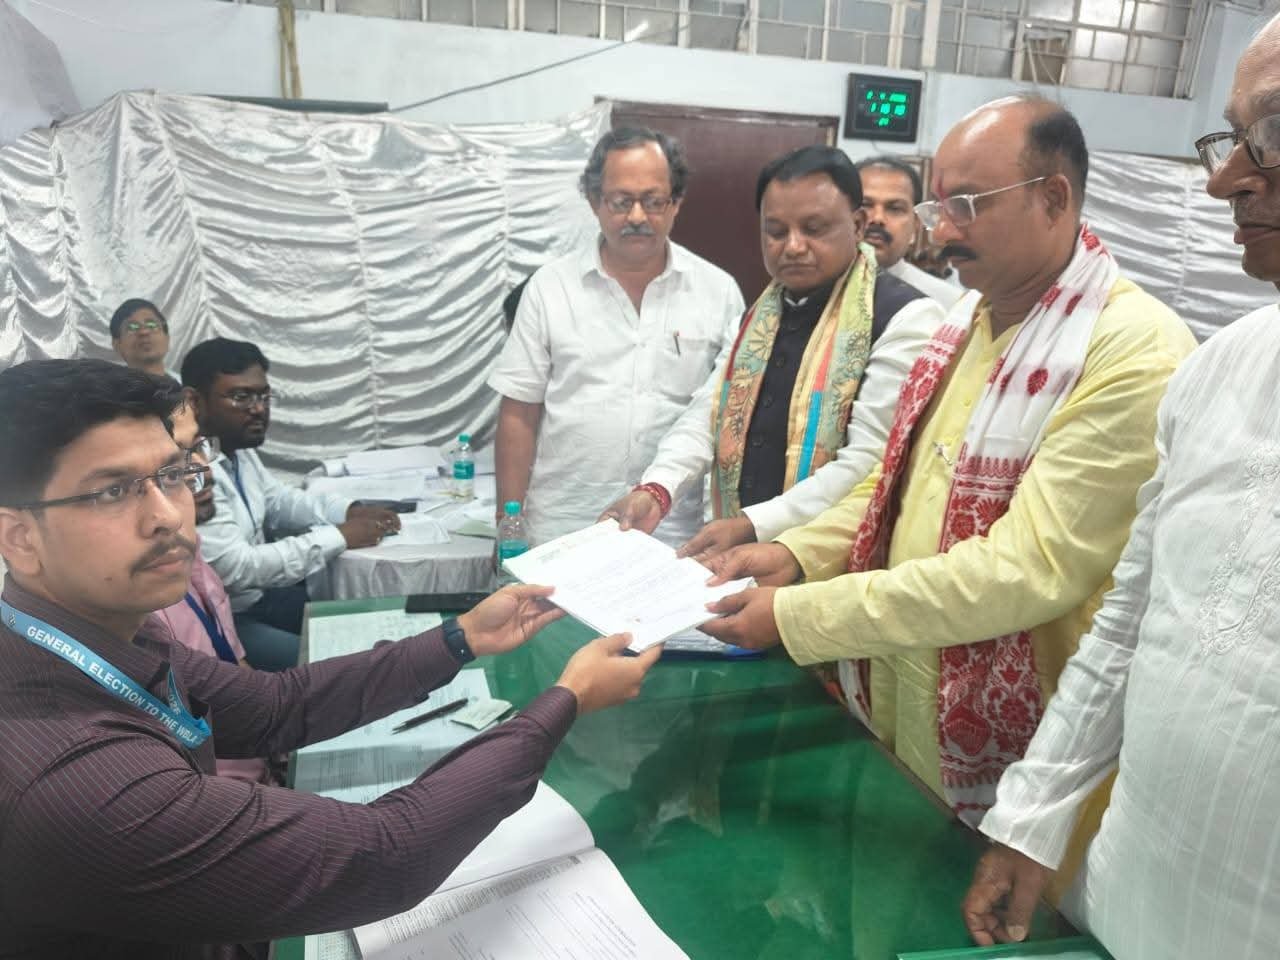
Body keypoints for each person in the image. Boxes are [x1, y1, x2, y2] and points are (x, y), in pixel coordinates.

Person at [0, 358, 661, 959]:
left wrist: (462, 636)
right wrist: (565, 701)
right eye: (113, 491)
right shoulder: (69, 773)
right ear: (19, 537)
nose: (168, 517)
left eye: (173, 475)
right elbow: (384, 856)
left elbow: (272, 707)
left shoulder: (101, 630)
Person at [700, 97, 1196, 850]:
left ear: (1053, 197)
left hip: (1024, 758)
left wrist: (799, 614)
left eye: (967, 205)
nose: (942, 231)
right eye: (940, 206)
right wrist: (797, 553)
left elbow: (1026, 570)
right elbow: (895, 486)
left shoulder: (1132, 349)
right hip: (900, 701)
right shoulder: (967, 321)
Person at [962, 21, 1280, 958]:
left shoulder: (1140, 345)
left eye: (1274, 131)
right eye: (1232, 137)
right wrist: (1033, 817)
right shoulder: (1220, 370)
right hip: (1126, 902)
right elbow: (1130, 622)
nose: (1225, 180)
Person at [674, 146, 945, 561]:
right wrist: (657, 487)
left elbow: (868, 460)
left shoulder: (908, 317)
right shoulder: (756, 318)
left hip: (830, 566)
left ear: (857, 225)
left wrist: (753, 524)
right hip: (737, 554)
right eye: (776, 231)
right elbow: (706, 413)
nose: (794, 246)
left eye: (814, 229)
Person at [488, 127, 745, 548]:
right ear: (595, 202)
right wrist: (507, 525)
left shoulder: (719, 292)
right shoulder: (550, 288)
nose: (638, 217)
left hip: (673, 530)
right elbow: (519, 412)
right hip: (564, 525)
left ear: (676, 202)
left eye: (654, 201)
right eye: (621, 202)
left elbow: (726, 414)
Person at [181, 337, 400, 671]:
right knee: (337, 665)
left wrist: (347, 510)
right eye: (241, 397)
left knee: (367, 625)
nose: (258, 409)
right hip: (229, 620)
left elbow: (279, 501)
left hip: (262, 597)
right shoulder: (193, 471)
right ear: (195, 401)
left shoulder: (235, 449)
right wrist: (340, 535)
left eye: (263, 396)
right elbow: (237, 568)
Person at [141, 395, 273, 784]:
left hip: (256, 760)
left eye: (199, 447)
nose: (205, 469)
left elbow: (237, 669)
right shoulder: (138, 608)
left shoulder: (191, 549)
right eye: (178, 459)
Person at [855, 155, 966, 307]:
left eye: (895, 208)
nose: (878, 218)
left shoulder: (948, 304)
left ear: (916, 224)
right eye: (865, 205)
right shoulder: (822, 288)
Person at [110, 297, 179, 381]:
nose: (144, 332)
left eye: (152, 325)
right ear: (117, 345)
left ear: (167, 339)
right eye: (132, 327)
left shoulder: (185, 385)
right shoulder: (105, 387)